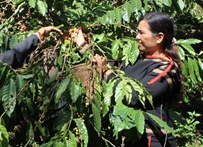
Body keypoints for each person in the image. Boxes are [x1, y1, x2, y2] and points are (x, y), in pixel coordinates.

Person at [71, 12, 182, 147]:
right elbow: (106, 65)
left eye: (142, 33)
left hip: (152, 141)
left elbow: (136, 96)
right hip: (130, 138)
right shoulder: (135, 59)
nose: (137, 37)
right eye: (137, 32)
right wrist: (82, 44)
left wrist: (105, 72)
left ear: (159, 37)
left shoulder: (167, 68)